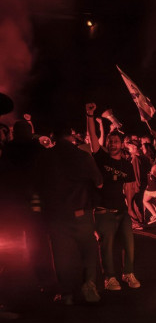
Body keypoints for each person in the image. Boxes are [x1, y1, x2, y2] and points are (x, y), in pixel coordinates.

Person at [35, 127, 103, 304]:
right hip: (82, 212)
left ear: (53, 137)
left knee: (61, 254)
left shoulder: (45, 158)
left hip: (56, 214)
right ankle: (89, 284)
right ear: (71, 136)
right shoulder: (83, 156)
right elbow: (99, 182)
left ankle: (67, 294)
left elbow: (37, 185)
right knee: (88, 250)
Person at [85, 103, 140, 291]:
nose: (112, 144)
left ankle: (128, 273)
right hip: (103, 211)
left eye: (116, 141)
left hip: (122, 211)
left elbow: (130, 187)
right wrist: (90, 115)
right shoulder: (101, 157)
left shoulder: (126, 165)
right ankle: (110, 278)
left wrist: (131, 207)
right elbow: (93, 137)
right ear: (107, 143)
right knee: (106, 246)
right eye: (110, 141)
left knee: (129, 244)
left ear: (121, 144)